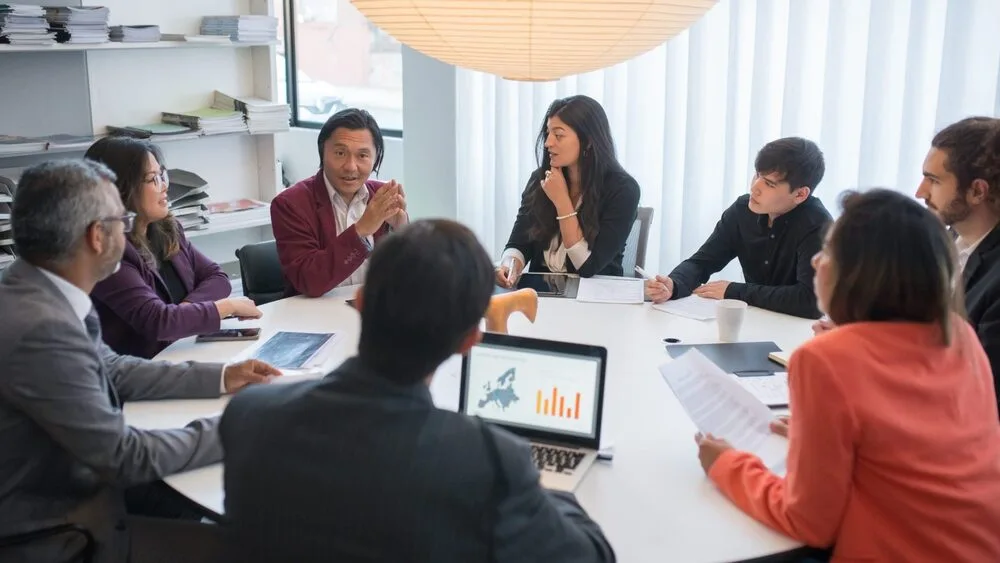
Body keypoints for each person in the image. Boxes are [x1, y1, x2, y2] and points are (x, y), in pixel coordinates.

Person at [221, 219, 615, 563]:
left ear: (359, 304)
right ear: (469, 342)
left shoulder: (250, 413)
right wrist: (536, 481)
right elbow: (592, 555)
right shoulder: (488, 460)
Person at [695, 189, 1000, 562]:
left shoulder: (824, 359)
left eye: (829, 252)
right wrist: (823, 435)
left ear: (859, 273)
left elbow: (808, 521)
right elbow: (919, 443)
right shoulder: (960, 334)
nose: (817, 261)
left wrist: (727, 465)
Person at [0, 160, 281, 563]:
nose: (128, 227)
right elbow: (122, 457)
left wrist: (222, 375)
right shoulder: (40, 328)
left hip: (78, 493)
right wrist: (237, 429)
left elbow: (112, 368)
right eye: (122, 218)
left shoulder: (37, 285)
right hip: (60, 534)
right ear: (98, 236)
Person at [813, 117, 1000, 415]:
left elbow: (977, 394)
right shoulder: (944, 241)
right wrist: (857, 336)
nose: (919, 192)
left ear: (977, 191)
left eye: (934, 180)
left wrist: (860, 356)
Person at [84, 136, 262, 359]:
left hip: (183, 352)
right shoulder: (108, 250)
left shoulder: (168, 228)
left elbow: (217, 278)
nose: (165, 186)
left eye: (163, 175)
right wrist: (226, 307)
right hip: (138, 372)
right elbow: (157, 322)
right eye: (153, 179)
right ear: (120, 189)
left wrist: (183, 313)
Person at [645, 137, 831, 319]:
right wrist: (674, 284)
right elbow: (703, 262)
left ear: (800, 194)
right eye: (757, 175)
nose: (755, 187)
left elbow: (810, 301)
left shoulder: (818, 225)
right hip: (754, 321)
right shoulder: (742, 210)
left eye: (769, 184)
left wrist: (734, 291)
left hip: (795, 333)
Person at [496, 95, 640, 287]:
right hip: (543, 293)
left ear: (588, 140)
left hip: (598, 298)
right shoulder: (540, 179)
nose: (548, 143)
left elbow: (587, 267)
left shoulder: (623, 190)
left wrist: (562, 200)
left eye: (559, 135)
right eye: (547, 133)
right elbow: (519, 243)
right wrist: (510, 264)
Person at [271, 108, 407, 297]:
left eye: (362, 156)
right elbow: (309, 280)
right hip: (313, 315)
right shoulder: (291, 203)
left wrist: (402, 231)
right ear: (323, 153)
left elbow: (411, 278)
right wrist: (361, 230)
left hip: (373, 310)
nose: (351, 167)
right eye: (340, 153)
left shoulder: (382, 196)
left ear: (375, 158)